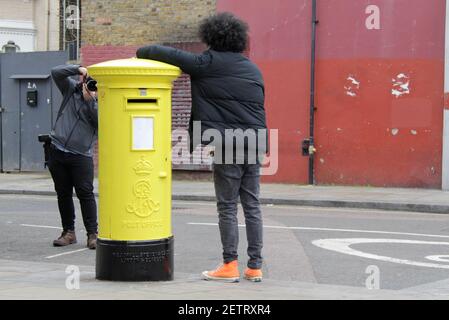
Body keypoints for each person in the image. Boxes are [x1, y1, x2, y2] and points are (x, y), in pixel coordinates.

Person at [136, 12, 267, 282]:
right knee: (252, 206)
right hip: (255, 142)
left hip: (227, 144)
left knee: (227, 206)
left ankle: (229, 265)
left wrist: (139, 51)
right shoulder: (252, 68)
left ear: (211, 37)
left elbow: (159, 52)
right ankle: (254, 267)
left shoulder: (206, 62)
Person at [49, 64, 98, 249]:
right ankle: (68, 233)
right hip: (57, 150)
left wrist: (91, 100)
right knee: (63, 194)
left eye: (95, 85)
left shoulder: (101, 103)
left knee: (85, 194)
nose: (91, 86)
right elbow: (55, 72)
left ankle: (92, 234)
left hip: (81, 156)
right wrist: (78, 69)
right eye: (90, 82)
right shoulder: (71, 89)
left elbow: (101, 123)